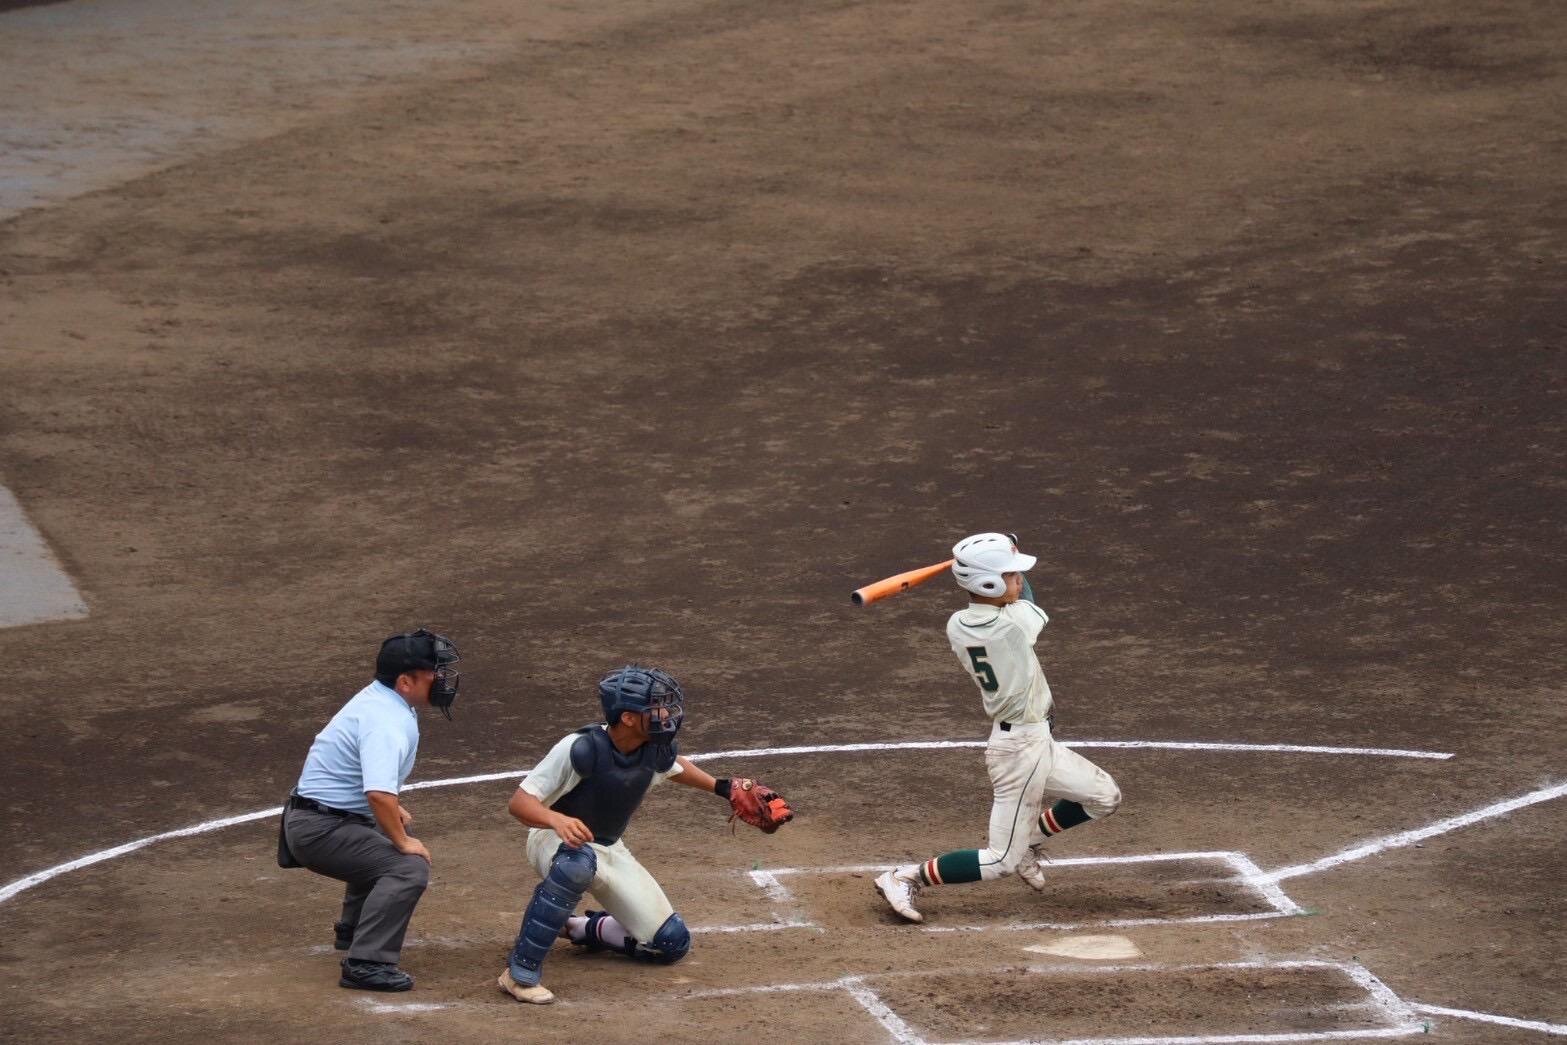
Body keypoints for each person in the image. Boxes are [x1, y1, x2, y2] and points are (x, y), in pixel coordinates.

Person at [875, 533, 1121, 923]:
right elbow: (1030, 602)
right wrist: (1010, 547)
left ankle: (1028, 842)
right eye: (1011, 574)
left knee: (1104, 796)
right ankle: (904, 877)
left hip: (1034, 740)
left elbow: (1014, 598)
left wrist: (1004, 557)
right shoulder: (1012, 626)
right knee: (999, 860)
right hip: (1018, 752)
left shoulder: (959, 623)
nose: (1019, 580)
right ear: (987, 583)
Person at [498, 665, 768, 1005]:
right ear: (627, 717)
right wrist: (556, 819)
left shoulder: (654, 747)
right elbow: (520, 803)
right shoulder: (580, 748)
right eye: (656, 707)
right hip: (553, 840)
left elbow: (675, 768)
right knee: (576, 867)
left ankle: (578, 928)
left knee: (670, 942)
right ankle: (520, 973)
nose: (666, 714)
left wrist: (723, 787)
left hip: (609, 848)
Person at [280, 627, 461, 991]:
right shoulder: (385, 720)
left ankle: (353, 930)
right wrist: (402, 841)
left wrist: (394, 818)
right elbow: (378, 795)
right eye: (433, 672)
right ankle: (366, 963)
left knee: (391, 828)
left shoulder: (382, 700)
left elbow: (360, 779)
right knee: (408, 866)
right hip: (318, 830)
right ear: (405, 682)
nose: (442, 679)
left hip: (319, 816)